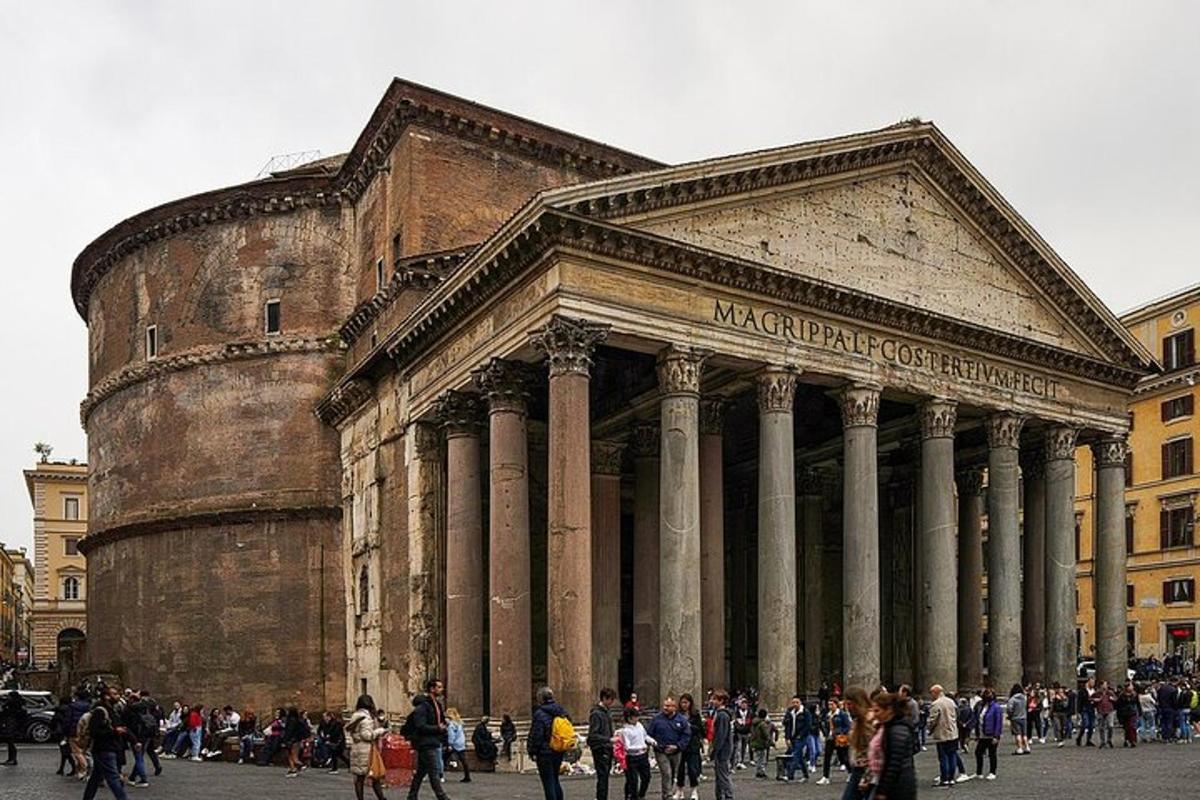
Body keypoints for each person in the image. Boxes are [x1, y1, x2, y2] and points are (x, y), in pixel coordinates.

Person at [404, 679, 450, 800]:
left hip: (433, 741)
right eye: (439, 687)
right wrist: (437, 728)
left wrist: (444, 727)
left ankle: (412, 796)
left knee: (421, 773)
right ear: (432, 689)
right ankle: (442, 797)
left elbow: (439, 721)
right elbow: (420, 725)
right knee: (434, 772)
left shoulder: (437, 705)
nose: (441, 689)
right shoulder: (423, 707)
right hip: (426, 743)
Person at [82, 685, 130, 800]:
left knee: (96, 776)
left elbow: (122, 727)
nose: (118, 696)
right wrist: (114, 731)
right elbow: (95, 732)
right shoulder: (100, 711)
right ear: (106, 697)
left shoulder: (112, 710)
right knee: (113, 778)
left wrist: (134, 740)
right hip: (104, 748)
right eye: (115, 694)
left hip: (110, 747)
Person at [873, 692, 916, 800]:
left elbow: (894, 763)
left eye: (877, 710)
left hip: (899, 785)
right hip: (895, 783)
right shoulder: (888, 727)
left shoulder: (897, 729)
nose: (874, 714)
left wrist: (883, 790)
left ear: (889, 710)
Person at [528, 686, 568, 800]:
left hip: (544, 752)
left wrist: (532, 751)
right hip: (558, 749)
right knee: (555, 779)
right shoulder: (561, 711)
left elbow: (537, 735)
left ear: (541, 699)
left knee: (548, 782)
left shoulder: (539, 713)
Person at [346, 694, 390, 800]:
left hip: (356, 748)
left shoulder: (355, 716)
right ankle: (382, 798)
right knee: (375, 776)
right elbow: (367, 735)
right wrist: (381, 731)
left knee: (359, 778)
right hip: (366, 750)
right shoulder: (366, 718)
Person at [646, 695, 690, 797]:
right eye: (665, 705)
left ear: (674, 707)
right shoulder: (656, 719)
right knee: (667, 773)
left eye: (669, 706)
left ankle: (667, 793)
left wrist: (678, 746)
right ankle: (668, 795)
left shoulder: (681, 720)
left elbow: (686, 735)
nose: (666, 708)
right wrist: (652, 744)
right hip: (661, 751)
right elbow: (648, 734)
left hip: (676, 751)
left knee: (673, 774)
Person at [614, 706, 653, 800]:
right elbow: (627, 746)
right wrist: (640, 747)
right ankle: (632, 796)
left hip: (642, 756)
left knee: (646, 777)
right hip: (632, 757)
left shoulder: (639, 725)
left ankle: (641, 794)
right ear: (629, 718)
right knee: (633, 780)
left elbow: (644, 736)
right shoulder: (625, 731)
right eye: (635, 717)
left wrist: (652, 741)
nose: (637, 719)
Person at [587, 688, 616, 800]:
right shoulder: (596, 714)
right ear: (604, 698)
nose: (612, 703)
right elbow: (593, 735)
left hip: (607, 747)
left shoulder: (606, 712)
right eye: (610, 700)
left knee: (605, 776)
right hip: (600, 748)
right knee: (603, 776)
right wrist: (608, 739)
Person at [927, 684, 959, 787]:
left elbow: (933, 720)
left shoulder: (936, 704)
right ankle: (951, 778)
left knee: (943, 757)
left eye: (931, 693)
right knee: (952, 755)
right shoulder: (951, 701)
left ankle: (944, 779)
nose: (930, 695)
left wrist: (929, 730)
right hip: (953, 733)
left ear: (936, 692)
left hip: (942, 734)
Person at [675, 693, 704, 800]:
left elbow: (700, 730)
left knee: (693, 769)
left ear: (690, 703)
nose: (684, 705)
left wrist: (689, 726)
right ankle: (679, 790)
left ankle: (694, 790)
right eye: (682, 702)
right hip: (681, 745)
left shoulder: (695, 715)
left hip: (692, 745)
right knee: (680, 770)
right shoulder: (677, 715)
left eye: (686, 702)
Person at [708, 690, 734, 800]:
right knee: (719, 775)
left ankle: (728, 796)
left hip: (723, 750)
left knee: (723, 775)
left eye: (714, 699)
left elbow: (721, 736)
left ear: (721, 701)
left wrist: (715, 750)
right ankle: (719, 796)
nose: (711, 701)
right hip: (722, 749)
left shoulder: (722, 715)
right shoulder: (718, 713)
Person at [972, 688, 1002, 781]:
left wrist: (996, 736)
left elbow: (998, 722)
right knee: (978, 753)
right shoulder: (981, 706)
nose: (987, 696)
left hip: (991, 734)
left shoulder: (996, 707)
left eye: (989, 694)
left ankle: (992, 772)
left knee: (992, 754)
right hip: (982, 734)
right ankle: (979, 772)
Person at [819, 698, 850, 785]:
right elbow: (824, 725)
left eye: (832, 704)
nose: (830, 706)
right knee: (827, 757)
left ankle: (850, 772)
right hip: (830, 738)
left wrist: (841, 733)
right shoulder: (828, 715)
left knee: (843, 757)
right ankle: (825, 777)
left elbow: (848, 726)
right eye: (829, 704)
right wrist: (826, 733)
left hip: (839, 738)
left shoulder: (842, 714)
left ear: (836, 705)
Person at [782, 695, 810, 783]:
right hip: (792, 737)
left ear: (800, 703)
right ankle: (806, 775)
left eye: (797, 702)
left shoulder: (805, 712)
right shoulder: (790, 712)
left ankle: (790, 775)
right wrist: (787, 737)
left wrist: (801, 735)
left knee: (796, 754)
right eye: (793, 702)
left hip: (801, 737)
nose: (795, 704)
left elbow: (808, 725)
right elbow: (786, 725)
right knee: (800, 757)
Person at [0, 690, 27, 765]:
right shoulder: (18, 705)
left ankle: (12, 759)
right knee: (10, 743)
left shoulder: (13, 705)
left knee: (10, 742)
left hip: (11, 725)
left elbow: (6, 713)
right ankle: (11, 759)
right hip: (13, 725)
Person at [445, 708, 471, 783]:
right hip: (461, 743)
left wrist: (450, 744)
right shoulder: (459, 723)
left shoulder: (451, 724)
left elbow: (451, 735)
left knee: (444, 758)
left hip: (454, 743)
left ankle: (439, 774)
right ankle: (467, 776)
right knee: (464, 760)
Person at [748, 708, 774, 779]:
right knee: (762, 758)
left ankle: (758, 771)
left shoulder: (754, 723)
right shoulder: (763, 724)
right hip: (761, 743)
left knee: (758, 758)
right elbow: (766, 735)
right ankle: (761, 772)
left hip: (755, 742)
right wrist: (772, 743)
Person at [1092, 680, 1117, 749]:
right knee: (1101, 727)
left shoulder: (1110, 693)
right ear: (1100, 686)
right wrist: (1095, 700)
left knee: (1110, 726)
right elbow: (1091, 699)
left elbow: (1116, 699)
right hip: (1100, 710)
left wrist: (1112, 699)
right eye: (1104, 685)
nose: (1105, 686)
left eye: (1106, 685)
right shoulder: (1097, 693)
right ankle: (1102, 741)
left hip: (1109, 710)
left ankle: (1109, 739)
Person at [1005, 684, 1029, 755]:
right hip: (1024, 717)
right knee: (1024, 734)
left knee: (1017, 734)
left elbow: (1009, 709)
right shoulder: (1024, 698)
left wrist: (1010, 715)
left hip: (1015, 718)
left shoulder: (1012, 699)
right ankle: (1027, 747)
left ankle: (1020, 748)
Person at [1116, 683, 1139, 747]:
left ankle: (1133, 740)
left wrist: (1139, 711)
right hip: (1124, 713)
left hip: (1132, 712)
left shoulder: (1134, 695)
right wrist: (1119, 715)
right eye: (1131, 686)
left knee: (1132, 726)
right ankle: (1127, 739)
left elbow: (1137, 703)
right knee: (1127, 728)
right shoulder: (1121, 696)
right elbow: (1118, 706)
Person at [1076, 678, 1096, 746]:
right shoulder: (1082, 691)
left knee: (1092, 725)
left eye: (1093, 682)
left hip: (1092, 709)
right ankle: (1079, 738)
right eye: (1092, 682)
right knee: (1085, 724)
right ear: (1088, 682)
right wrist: (1078, 711)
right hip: (1084, 709)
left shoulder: (1094, 691)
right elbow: (1079, 701)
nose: (1093, 684)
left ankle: (1089, 740)